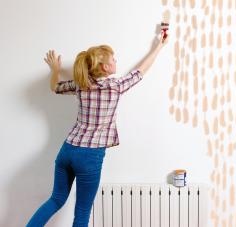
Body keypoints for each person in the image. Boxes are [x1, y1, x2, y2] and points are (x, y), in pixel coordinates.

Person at [26, 28, 168, 227]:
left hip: (67, 150)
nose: (116, 61)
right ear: (105, 67)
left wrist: (55, 70)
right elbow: (140, 72)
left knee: (55, 200)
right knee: (82, 212)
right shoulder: (116, 87)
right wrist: (159, 47)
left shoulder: (81, 84)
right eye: (114, 59)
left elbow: (55, 87)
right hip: (89, 156)